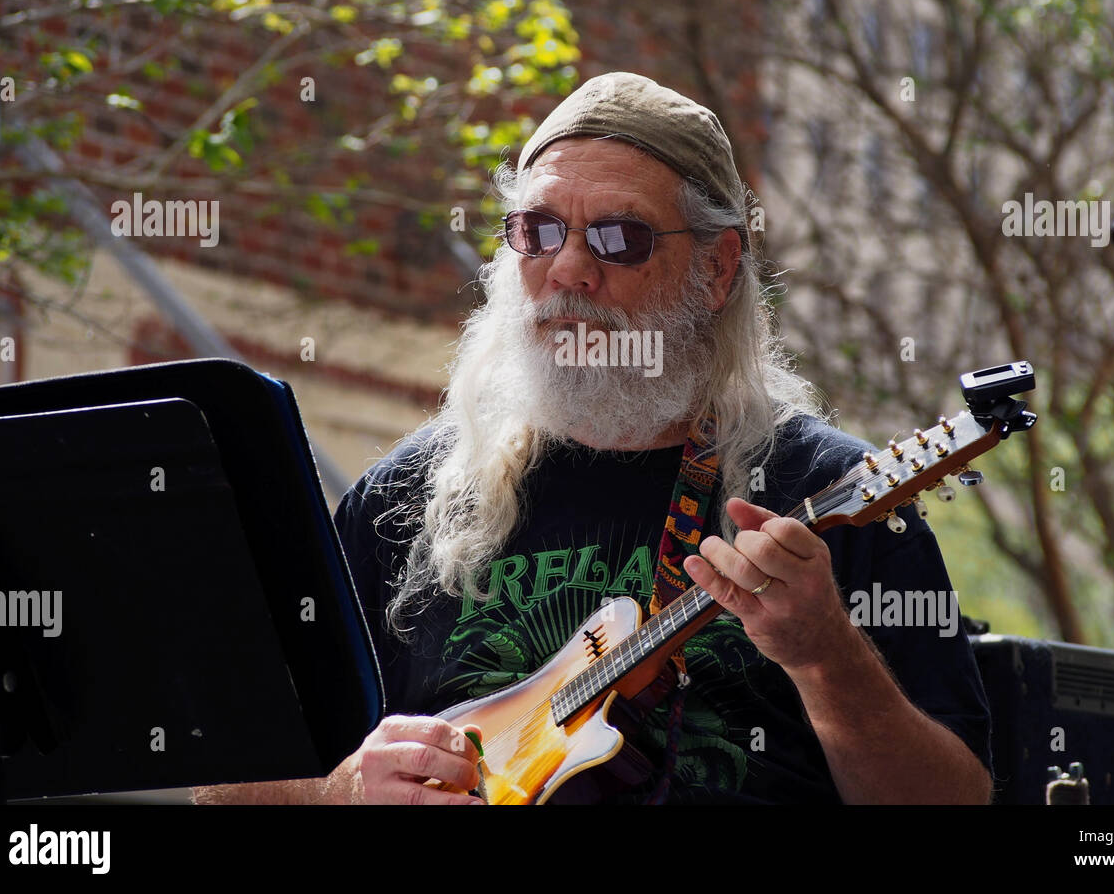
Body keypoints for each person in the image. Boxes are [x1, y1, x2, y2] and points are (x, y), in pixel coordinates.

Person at [194, 72, 993, 805]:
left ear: (717, 270)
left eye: (619, 238)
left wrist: (824, 655)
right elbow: (222, 783)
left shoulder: (823, 488)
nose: (570, 268)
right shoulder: (409, 497)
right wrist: (339, 792)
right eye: (538, 230)